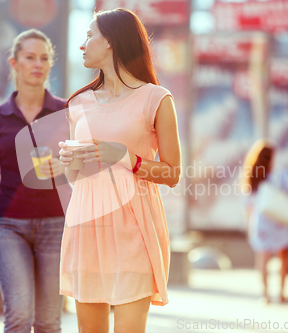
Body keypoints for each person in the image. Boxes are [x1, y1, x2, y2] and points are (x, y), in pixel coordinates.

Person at [58, 8, 181, 333]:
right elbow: (76, 179)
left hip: (134, 230)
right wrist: (71, 164)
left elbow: (172, 173)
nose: (82, 44)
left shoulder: (156, 99)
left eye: (89, 35)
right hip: (86, 226)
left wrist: (124, 157)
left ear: (111, 41)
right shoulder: (78, 104)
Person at [0, 29, 67, 333]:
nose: (37, 64)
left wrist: (65, 164)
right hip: (10, 227)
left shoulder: (66, 112)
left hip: (57, 225)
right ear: (14, 63)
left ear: (51, 64)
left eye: (44, 58)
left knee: (49, 322)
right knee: (18, 317)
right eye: (29, 57)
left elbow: (84, 165)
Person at [241, 139, 288, 304]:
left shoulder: (253, 174)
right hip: (280, 220)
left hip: (261, 222)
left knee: (263, 259)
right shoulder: (281, 174)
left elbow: (247, 203)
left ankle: (265, 295)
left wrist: (248, 225)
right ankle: (281, 293)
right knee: (283, 258)